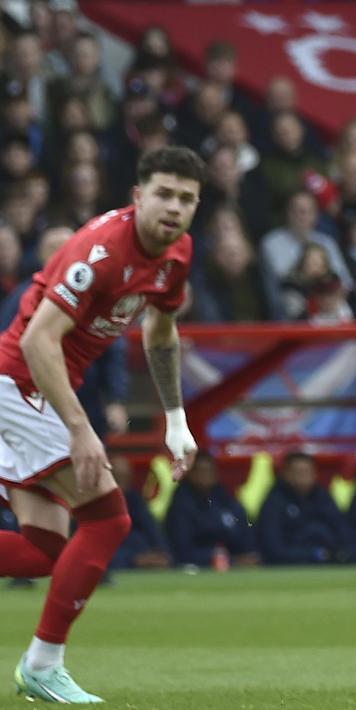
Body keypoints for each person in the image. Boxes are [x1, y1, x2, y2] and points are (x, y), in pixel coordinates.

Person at [0, 146, 203, 703]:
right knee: (109, 520)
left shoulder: (177, 253)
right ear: (138, 196)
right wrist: (80, 428)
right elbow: (41, 338)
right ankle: (43, 664)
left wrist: (175, 419)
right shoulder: (102, 252)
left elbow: (161, 333)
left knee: (44, 549)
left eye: (186, 199)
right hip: (19, 386)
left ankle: (41, 665)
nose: (174, 207)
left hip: (30, 392)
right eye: (163, 194)